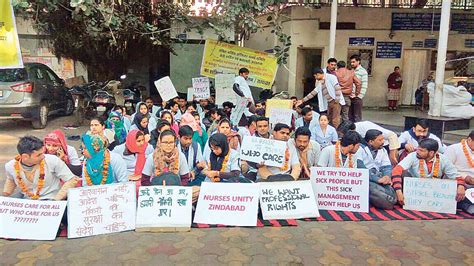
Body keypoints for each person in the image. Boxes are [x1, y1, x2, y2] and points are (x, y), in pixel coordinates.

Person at [391, 138, 466, 206]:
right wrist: (398, 191)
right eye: (418, 149)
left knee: (461, 193)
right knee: (403, 173)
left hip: (433, 193)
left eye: (421, 150)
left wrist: (461, 186)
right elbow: (396, 170)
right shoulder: (413, 156)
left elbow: (456, 176)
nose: (417, 152)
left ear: (431, 153)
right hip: (413, 191)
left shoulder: (443, 159)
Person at [3, 136, 78, 200]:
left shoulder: (53, 160)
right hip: (27, 200)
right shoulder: (10, 166)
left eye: (42, 153)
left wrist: (56, 200)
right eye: (39, 155)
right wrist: (5, 195)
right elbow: (11, 179)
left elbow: (71, 180)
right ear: (25, 156)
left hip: (51, 198)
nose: (43, 156)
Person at [357, 130, 397, 209]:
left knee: (392, 194)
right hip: (366, 179)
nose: (383, 142)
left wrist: (387, 176)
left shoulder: (383, 150)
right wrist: (377, 179)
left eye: (383, 139)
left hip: (380, 177)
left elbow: (387, 167)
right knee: (377, 194)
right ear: (371, 141)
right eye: (380, 140)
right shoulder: (359, 149)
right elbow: (361, 168)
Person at [445, 131, 474, 214]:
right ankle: (465, 205)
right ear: (469, 140)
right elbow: (447, 170)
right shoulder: (453, 149)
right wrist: (464, 179)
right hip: (457, 182)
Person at [349, 54, 368, 122]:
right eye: (351, 62)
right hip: (350, 96)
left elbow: (364, 85)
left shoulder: (363, 71)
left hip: (357, 97)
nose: (352, 63)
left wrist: (359, 96)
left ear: (358, 61)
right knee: (350, 116)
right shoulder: (351, 70)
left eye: (353, 62)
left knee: (357, 117)